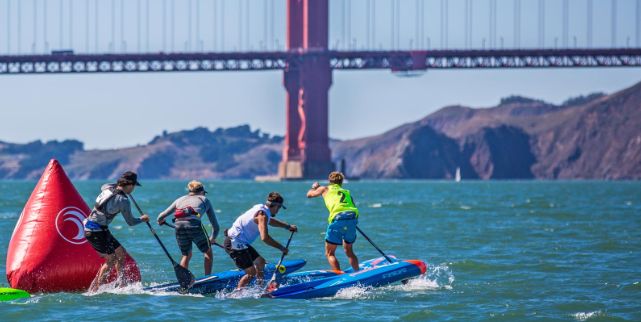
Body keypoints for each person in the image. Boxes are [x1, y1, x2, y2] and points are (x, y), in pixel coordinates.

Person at [83, 171, 150, 292]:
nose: (134, 189)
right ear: (129, 185)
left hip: (100, 229)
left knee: (121, 253)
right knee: (111, 259)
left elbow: (105, 185)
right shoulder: (123, 200)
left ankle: (122, 283)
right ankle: (97, 290)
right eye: (133, 186)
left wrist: (121, 185)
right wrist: (142, 219)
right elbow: (130, 222)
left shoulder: (107, 188)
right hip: (94, 230)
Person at [224, 192, 297, 289]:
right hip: (234, 243)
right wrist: (281, 248)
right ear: (274, 206)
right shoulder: (262, 215)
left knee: (260, 262)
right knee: (251, 273)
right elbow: (265, 238)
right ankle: (237, 293)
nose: (278, 210)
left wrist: (287, 226)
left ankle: (260, 288)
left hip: (240, 242)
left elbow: (270, 221)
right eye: (279, 208)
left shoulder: (261, 208)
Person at [157, 180, 220, 276]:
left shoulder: (180, 199)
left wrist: (160, 221)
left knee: (186, 255)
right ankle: (207, 277)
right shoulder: (204, 199)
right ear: (202, 191)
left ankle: (184, 280)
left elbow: (160, 216)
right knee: (208, 252)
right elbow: (215, 226)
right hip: (194, 225)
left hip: (179, 226)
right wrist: (212, 238)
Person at [307, 171, 360, 272]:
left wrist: (315, 188)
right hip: (352, 217)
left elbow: (309, 195)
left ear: (329, 181)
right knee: (349, 251)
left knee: (329, 253)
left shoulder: (324, 188)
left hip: (338, 218)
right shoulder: (346, 191)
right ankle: (358, 272)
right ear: (341, 182)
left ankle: (339, 275)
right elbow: (352, 205)